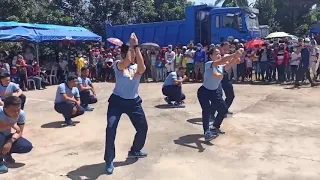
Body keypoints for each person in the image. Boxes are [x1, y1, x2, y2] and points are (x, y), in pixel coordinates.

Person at [105, 33, 148, 174]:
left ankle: (135, 150)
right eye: (130, 52)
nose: (133, 56)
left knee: (143, 128)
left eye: (134, 53)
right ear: (124, 53)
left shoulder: (136, 67)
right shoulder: (118, 64)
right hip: (117, 102)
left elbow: (142, 68)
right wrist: (131, 45)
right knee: (111, 129)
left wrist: (136, 46)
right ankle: (109, 160)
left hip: (133, 102)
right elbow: (127, 60)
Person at [197, 47, 241, 142]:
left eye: (219, 53)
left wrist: (237, 57)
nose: (218, 55)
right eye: (216, 53)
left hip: (214, 92)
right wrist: (234, 55)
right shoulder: (209, 64)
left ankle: (215, 126)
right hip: (204, 91)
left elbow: (233, 62)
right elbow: (222, 60)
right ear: (210, 56)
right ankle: (207, 132)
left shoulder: (222, 67)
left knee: (224, 110)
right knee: (207, 110)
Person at [0, 96, 33, 173]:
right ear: (5, 108)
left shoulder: (21, 114)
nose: (16, 113)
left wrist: (10, 141)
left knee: (26, 146)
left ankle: (6, 153)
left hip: (6, 135)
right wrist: (10, 124)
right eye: (13, 110)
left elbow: (19, 131)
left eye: (18, 109)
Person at [219, 42, 235, 114]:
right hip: (217, 75)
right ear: (221, 47)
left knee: (231, 95)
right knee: (218, 96)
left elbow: (227, 66)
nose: (226, 50)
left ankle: (224, 109)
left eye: (227, 49)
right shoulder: (216, 55)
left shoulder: (226, 55)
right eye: (225, 48)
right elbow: (223, 64)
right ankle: (214, 112)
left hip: (225, 75)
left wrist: (234, 59)